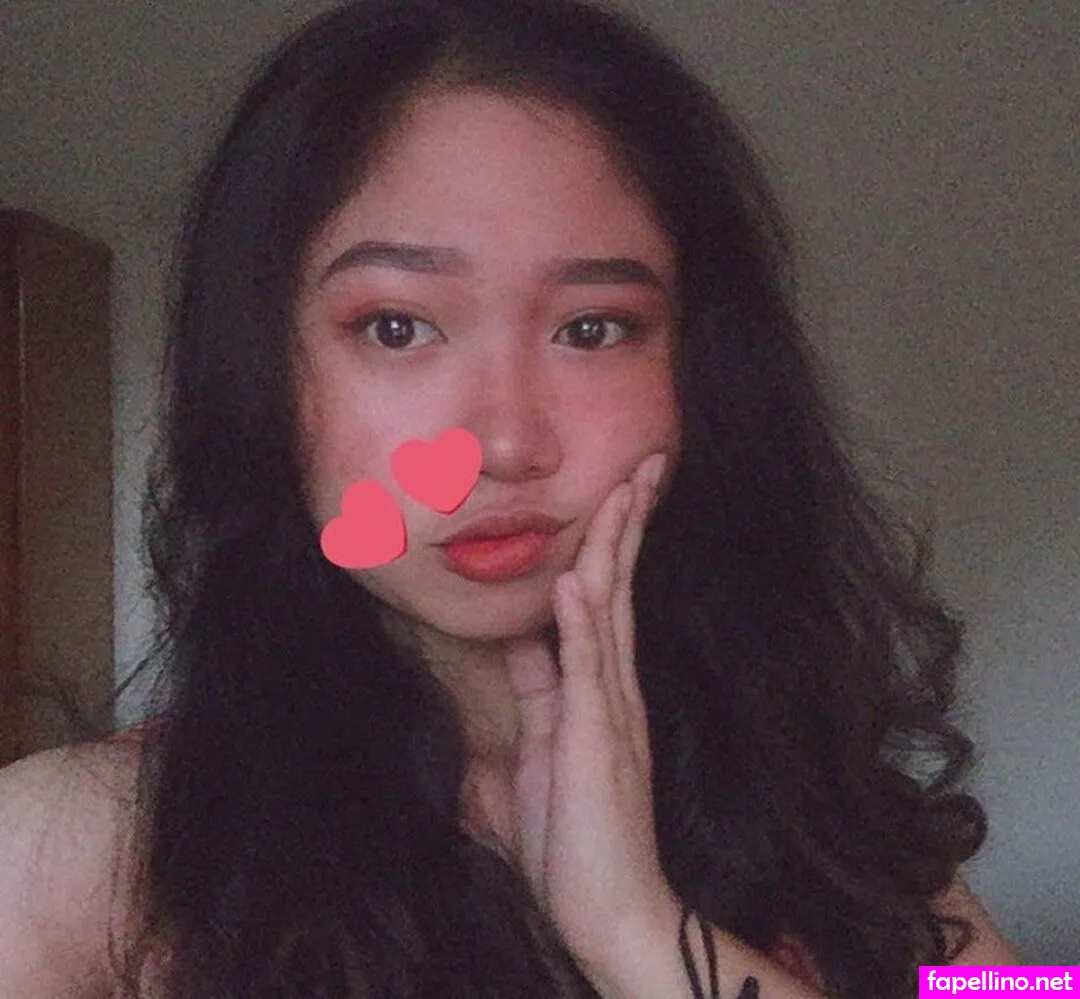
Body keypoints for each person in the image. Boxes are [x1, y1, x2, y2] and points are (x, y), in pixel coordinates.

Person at [0, 0, 1019, 995]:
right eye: (396, 327)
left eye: (592, 329)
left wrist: (638, 931)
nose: (506, 443)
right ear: (261, 369)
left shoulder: (840, 808)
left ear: (702, 372)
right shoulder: (72, 851)